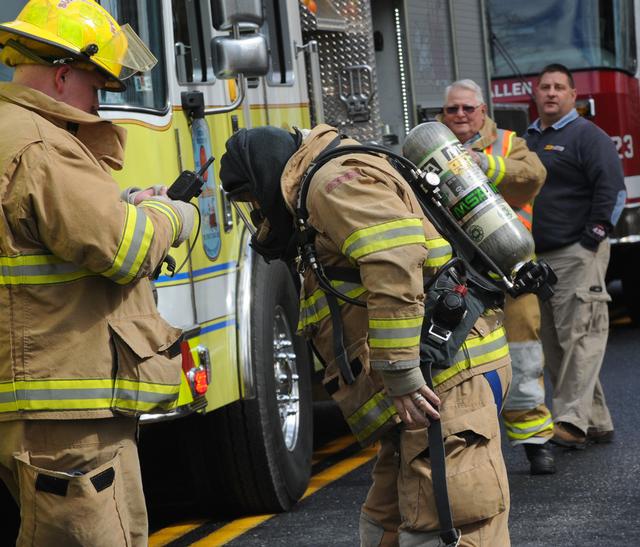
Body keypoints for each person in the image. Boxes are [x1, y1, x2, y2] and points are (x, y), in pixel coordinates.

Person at [219, 123, 512, 546]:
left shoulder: (331, 183)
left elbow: (393, 259)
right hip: (432, 382)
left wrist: (400, 373)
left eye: (253, 200)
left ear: (265, 175)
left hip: (443, 379)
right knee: (387, 525)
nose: (260, 216)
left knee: (451, 528)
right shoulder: (324, 181)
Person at [0, 1, 196, 545]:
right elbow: (126, 249)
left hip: (33, 402)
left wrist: (123, 202)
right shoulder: (41, 144)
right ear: (63, 76)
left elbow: (54, 232)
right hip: (64, 416)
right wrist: (171, 216)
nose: (101, 102)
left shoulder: (13, 133)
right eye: (97, 86)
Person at [439, 79, 555, 474]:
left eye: (467, 109)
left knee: (523, 355)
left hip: (511, 272)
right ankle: (470, 446)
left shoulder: (507, 144)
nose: (459, 116)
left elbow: (533, 175)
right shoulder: (431, 149)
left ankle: (536, 440)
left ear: (482, 111)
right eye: (452, 109)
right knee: (461, 359)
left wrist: (486, 165)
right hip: (456, 275)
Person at [525, 64, 625, 449]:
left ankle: (569, 420)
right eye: (545, 87)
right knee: (555, 343)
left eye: (559, 88)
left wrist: (593, 238)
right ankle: (596, 420)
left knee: (581, 336)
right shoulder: (528, 140)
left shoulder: (588, 136)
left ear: (572, 95)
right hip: (539, 258)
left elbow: (612, 190)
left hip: (577, 252)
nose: (551, 93)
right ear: (535, 93)